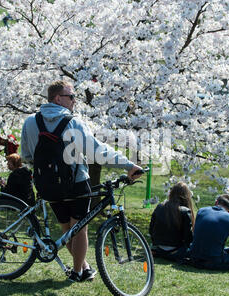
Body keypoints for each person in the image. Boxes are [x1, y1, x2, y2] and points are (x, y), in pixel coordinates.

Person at [21, 80, 143, 283]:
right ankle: (77, 272)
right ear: (58, 98)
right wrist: (128, 165)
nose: (75, 101)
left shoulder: (30, 122)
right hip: (75, 183)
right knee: (79, 228)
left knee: (67, 229)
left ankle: (83, 267)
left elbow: (26, 155)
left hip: (47, 184)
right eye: (71, 96)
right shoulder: (72, 122)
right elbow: (97, 151)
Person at [149, 182, 194, 262]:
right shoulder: (185, 211)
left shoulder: (160, 207)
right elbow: (188, 238)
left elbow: (151, 229)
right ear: (186, 196)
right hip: (175, 250)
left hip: (158, 248)